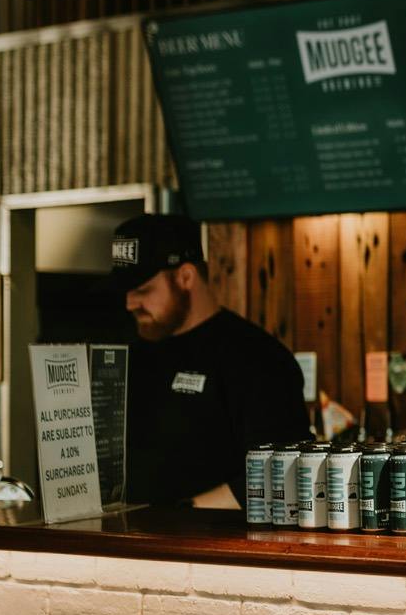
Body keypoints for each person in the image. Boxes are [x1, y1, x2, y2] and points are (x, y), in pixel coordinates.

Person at [112, 213, 308, 508]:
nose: (130, 303)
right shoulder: (134, 356)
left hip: (217, 546)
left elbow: (282, 469)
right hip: (130, 545)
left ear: (186, 277)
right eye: (126, 291)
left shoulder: (257, 357)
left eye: (142, 290)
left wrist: (185, 513)